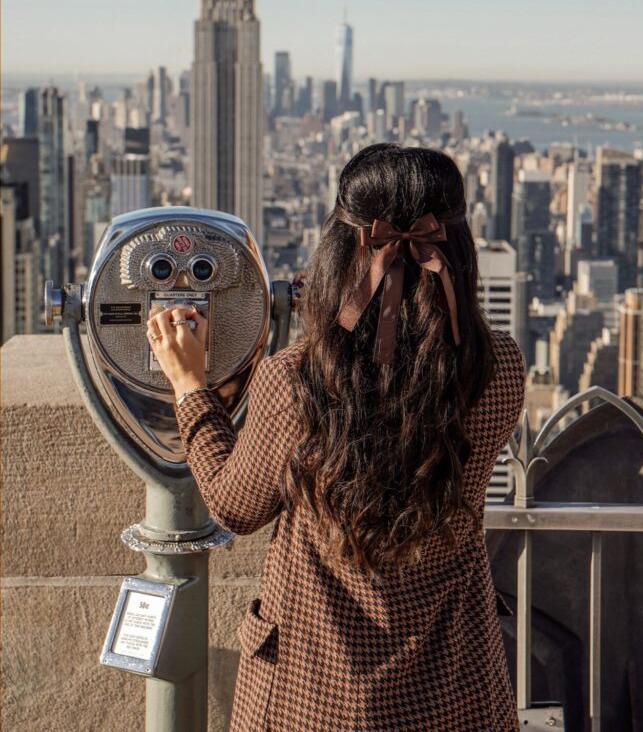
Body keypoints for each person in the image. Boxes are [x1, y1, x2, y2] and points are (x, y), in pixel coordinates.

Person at [147, 143, 526, 732]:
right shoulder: (500, 367)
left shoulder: (294, 381)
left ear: (336, 253)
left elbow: (233, 506)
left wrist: (191, 384)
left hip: (311, 693)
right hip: (456, 689)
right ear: (459, 251)